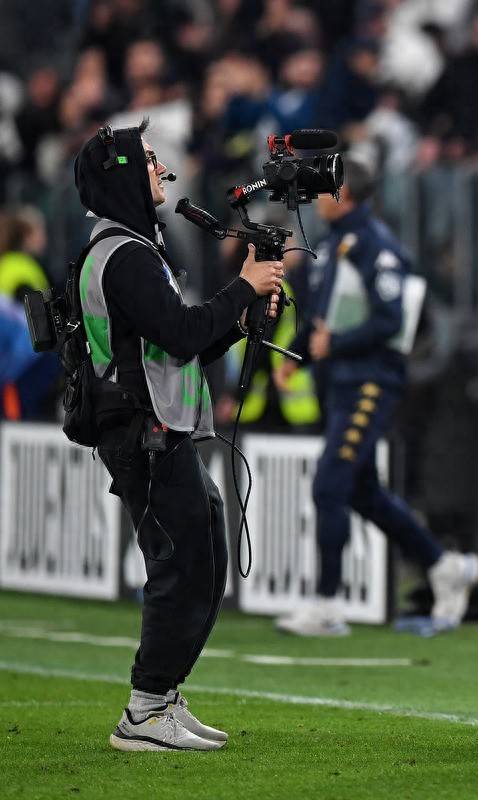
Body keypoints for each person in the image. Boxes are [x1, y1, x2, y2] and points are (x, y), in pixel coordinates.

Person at [73, 121, 283, 751]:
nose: (162, 169)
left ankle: (160, 696)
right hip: (144, 432)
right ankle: (144, 710)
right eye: (148, 160)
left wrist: (240, 317)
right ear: (120, 176)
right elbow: (183, 333)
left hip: (154, 428)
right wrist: (243, 287)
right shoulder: (126, 255)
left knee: (202, 551)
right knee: (181, 563)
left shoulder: (130, 247)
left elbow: (179, 345)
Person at [273, 158, 478, 637]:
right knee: (362, 492)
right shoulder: (335, 242)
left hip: (369, 383)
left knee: (330, 484)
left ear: (343, 194)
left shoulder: (377, 246)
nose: (315, 198)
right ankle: (444, 565)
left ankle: (328, 604)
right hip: (340, 382)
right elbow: (323, 316)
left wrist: (334, 345)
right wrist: (295, 356)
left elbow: (391, 320)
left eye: (322, 189)